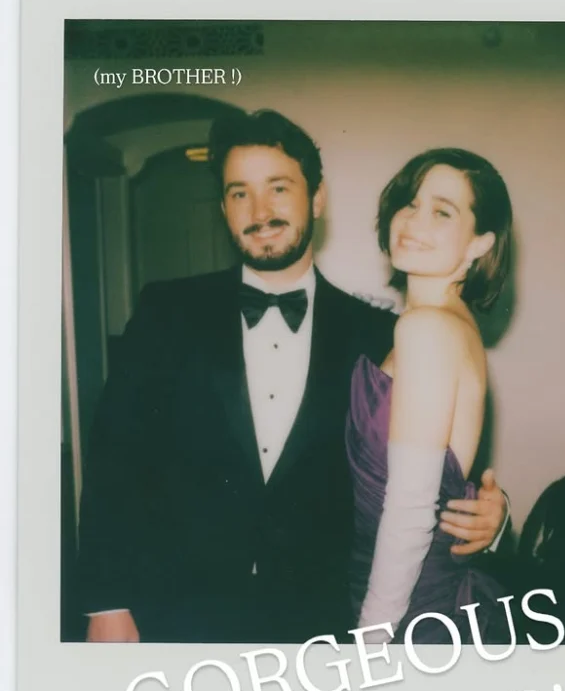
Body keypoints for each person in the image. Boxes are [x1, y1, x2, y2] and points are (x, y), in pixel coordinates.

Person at [77, 109, 510, 645]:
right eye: (240, 193)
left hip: (321, 623)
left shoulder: (382, 333)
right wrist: (107, 601)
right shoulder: (165, 312)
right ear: (223, 208)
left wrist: (493, 518)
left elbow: (440, 473)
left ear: (317, 199)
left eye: (278, 188)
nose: (260, 211)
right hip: (178, 613)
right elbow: (113, 459)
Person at [346, 147, 513, 644]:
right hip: (415, 593)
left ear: (480, 243)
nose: (414, 221)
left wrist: (370, 644)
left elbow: (411, 507)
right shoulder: (452, 324)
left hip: (407, 613)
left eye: (442, 212)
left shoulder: (427, 329)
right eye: (410, 202)